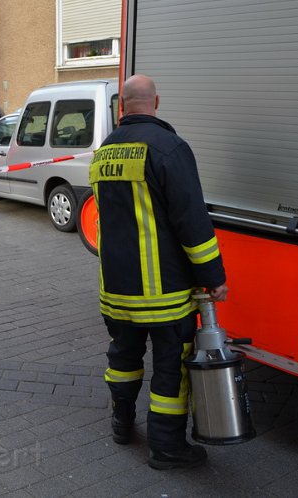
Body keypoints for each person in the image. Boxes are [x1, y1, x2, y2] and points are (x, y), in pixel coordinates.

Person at [88, 74, 228, 470]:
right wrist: (213, 275)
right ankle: (166, 447)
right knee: (170, 371)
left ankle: (121, 422)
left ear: (122, 107)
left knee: (123, 358)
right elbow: (192, 223)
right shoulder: (169, 148)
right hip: (163, 294)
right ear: (157, 102)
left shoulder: (104, 153)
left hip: (115, 290)